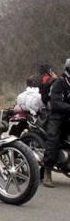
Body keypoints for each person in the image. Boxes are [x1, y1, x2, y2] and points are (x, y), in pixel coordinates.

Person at [42, 59, 70, 187]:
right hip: (57, 115)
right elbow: (56, 103)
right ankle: (47, 171)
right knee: (53, 140)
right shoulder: (59, 83)